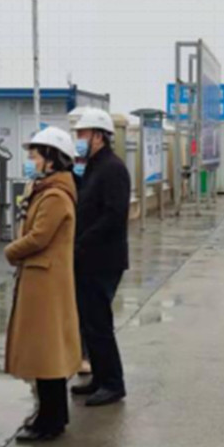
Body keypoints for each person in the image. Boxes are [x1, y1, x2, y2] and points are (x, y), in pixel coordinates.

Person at [4, 127, 82, 442]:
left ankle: (51, 421)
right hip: (41, 280)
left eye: (35, 155)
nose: (31, 161)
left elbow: (38, 236)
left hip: (46, 282)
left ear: (51, 159)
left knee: (47, 353)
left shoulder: (55, 196)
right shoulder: (46, 190)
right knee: (44, 353)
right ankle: (50, 414)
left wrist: (11, 251)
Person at [70, 108, 131, 407]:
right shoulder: (92, 167)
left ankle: (113, 383)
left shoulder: (113, 168)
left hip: (102, 259)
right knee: (89, 323)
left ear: (98, 136)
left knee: (99, 323)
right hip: (87, 259)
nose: (78, 139)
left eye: (82, 134)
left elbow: (114, 215)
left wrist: (82, 242)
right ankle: (99, 377)